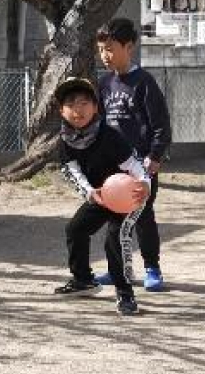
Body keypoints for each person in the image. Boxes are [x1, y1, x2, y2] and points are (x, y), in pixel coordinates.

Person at [52, 77, 150, 316]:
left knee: (115, 238)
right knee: (76, 229)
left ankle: (125, 294)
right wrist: (89, 192)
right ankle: (83, 280)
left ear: (96, 107)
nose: (78, 110)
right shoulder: (64, 140)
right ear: (61, 111)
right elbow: (72, 171)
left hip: (129, 196)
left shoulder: (109, 135)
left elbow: (135, 166)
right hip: (101, 195)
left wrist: (144, 185)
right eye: (70, 104)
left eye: (84, 103)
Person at [95, 18, 172, 292]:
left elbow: (161, 125)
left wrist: (155, 156)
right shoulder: (104, 84)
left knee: (143, 215)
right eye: (101, 50)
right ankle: (116, 269)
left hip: (141, 165)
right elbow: (100, 125)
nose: (105, 55)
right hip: (113, 165)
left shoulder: (144, 82)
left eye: (110, 49)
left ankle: (152, 268)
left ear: (129, 47)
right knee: (114, 217)